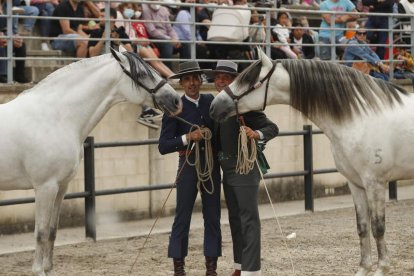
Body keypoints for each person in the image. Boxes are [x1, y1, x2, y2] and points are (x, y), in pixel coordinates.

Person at [209, 61, 279, 276]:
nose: (221, 81)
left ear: (234, 82)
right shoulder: (215, 106)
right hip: (225, 168)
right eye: (218, 77)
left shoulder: (246, 106)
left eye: (226, 77)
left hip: (244, 168)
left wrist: (256, 134)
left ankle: (252, 271)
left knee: (248, 218)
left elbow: (272, 128)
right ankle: (240, 266)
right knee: (235, 218)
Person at [158, 61, 222, 276]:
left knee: (212, 216)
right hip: (188, 164)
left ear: (200, 80)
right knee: (182, 216)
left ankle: (211, 268)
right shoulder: (174, 108)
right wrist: (188, 137)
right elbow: (164, 145)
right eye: (187, 79)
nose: (192, 83)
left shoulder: (210, 102)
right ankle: (179, 267)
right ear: (182, 83)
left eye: (196, 78)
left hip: (210, 165)